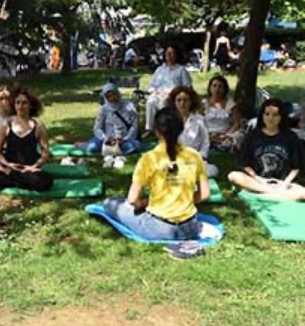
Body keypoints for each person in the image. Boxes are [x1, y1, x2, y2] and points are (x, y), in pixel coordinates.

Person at [103, 107, 210, 240]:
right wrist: (182, 202)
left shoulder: (149, 158)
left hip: (158, 228)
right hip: (190, 228)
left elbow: (132, 199)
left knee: (110, 202)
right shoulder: (194, 156)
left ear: (157, 132)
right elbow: (204, 194)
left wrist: (142, 204)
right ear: (181, 129)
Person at [228, 98, 305, 201]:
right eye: (267, 114)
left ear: (281, 117)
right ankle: (274, 194)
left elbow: (296, 166)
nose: (270, 118)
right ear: (262, 115)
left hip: (284, 183)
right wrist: (258, 179)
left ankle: (263, 195)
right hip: (259, 181)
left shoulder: (291, 137)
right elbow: (244, 163)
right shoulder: (253, 135)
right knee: (233, 176)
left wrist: (285, 183)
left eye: (275, 115)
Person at [0, 87, 54, 192]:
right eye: (17, 103)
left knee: (45, 182)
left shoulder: (39, 126)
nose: (20, 106)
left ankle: (16, 181)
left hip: (28, 168)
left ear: (30, 105)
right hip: (9, 168)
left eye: (24, 103)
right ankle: (20, 181)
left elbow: (45, 154)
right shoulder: (7, 125)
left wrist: (34, 167)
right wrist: (6, 164)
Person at [85, 83, 141, 166]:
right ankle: (112, 152)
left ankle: (114, 153)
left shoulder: (129, 106)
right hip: (107, 139)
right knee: (91, 148)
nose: (112, 98)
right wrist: (105, 138)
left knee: (132, 147)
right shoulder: (104, 109)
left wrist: (124, 138)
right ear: (105, 98)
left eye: (113, 94)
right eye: (109, 96)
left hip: (124, 139)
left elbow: (134, 126)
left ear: (117, 93)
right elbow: (97, 128)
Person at [168, 86, 218, 177]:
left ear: (191, 102)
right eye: (178, 100)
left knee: (213, 170)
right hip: (176, 159)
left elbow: (205, 143)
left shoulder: (199, 119)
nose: (182, 103)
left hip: (195, 158)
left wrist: (200, 156)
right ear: (174, 102)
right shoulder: (169, 120)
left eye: (185, 100)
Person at [144, 45, 192, 134]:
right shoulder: (160, 69)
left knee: (164, 102)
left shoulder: (181, 70)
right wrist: (154, 91)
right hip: (158, 94)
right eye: (167, 53)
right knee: (150, 102)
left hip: (173, 96)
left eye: (172, 53)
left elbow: (187, 87)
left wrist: (174, 93)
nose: (169, 55)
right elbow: (152, 84)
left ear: (176, 55)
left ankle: (164, 129)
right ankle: (149, 129)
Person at [204, 75, 243, 152]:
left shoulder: (231, 104)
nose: (217, 89)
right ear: (210, 88)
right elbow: (199, 122)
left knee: (238, 138)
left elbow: (236, 124)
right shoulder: (203, 104)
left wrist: (226, 135)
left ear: (224, 89)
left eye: (220, 87)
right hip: (208, 133)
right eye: (214, 86)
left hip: (226, 133)